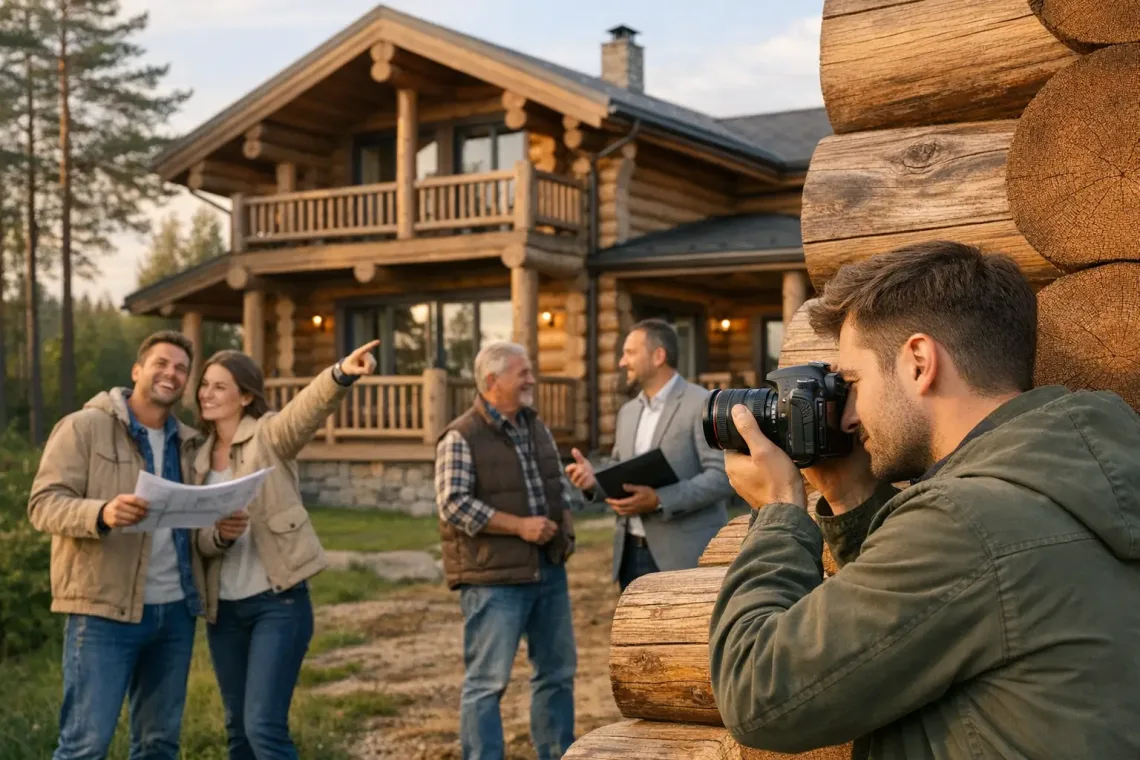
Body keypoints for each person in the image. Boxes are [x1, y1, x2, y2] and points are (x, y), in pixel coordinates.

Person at [708, 241, 1140, 758]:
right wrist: (849, 495)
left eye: (853, 382)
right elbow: (930, 613)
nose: (847, 417)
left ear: (918, 361)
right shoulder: (1074, 474)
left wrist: (778, 508)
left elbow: (759, 694)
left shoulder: (966, 522)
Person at [193, 341, 379, 760]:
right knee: (238, 731)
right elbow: (197, 540)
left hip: (277, 605)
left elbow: (305, 411)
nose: (207, 393)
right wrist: (220, 535)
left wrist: (340, 374)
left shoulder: (269, 436)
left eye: (219, 387)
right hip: (224, 612)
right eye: (204, 385)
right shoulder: (196, 458)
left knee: (263, 728)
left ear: (245, 396)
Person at [28, 330, 207, 760]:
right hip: (103, 611)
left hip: (175, 614)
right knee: (85, 746)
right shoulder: (84, 427)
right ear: (137, 371)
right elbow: (42, 504)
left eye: (181, 368)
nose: (172, 373)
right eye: (162, 363)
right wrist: (102, 513)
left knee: (158, 745)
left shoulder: (190, 443)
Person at [435, 341, 578, 760]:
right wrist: (520, 527)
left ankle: (557, 753)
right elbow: (452, 503)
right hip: (495, 580)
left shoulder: (535, 425)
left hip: (548, 570)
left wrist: (564, 525)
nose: (532, 380)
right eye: (524, 373)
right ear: (493, 381)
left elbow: (556, 483)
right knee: (486, 683)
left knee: (557, 674)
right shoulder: (460, 435)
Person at [564, 318, 732, 590]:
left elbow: (722, 476)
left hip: (685, 558)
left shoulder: (700, 403)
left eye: (629, 353)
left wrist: (658, 500)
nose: (621, 362)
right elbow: (621, 470)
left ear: (658, 356)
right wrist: (592, 480)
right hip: (630, 555)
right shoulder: (627, 412)